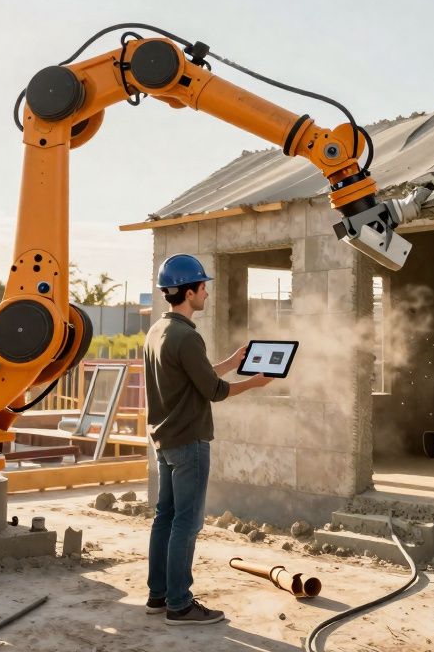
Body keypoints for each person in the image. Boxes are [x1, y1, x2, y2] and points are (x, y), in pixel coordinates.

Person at [144, 253, 271, 625]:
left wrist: (231, 362)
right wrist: (253, 383)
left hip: (165, 442)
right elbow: (214, 391)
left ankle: (158, 596)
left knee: (164, 517)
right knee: (187, 521)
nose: (206, 294)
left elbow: (194, 377)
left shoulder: (159, 332)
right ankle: (180, 605)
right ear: (188, 291)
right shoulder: (186, 336)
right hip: (189, 442)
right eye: (202, 287)